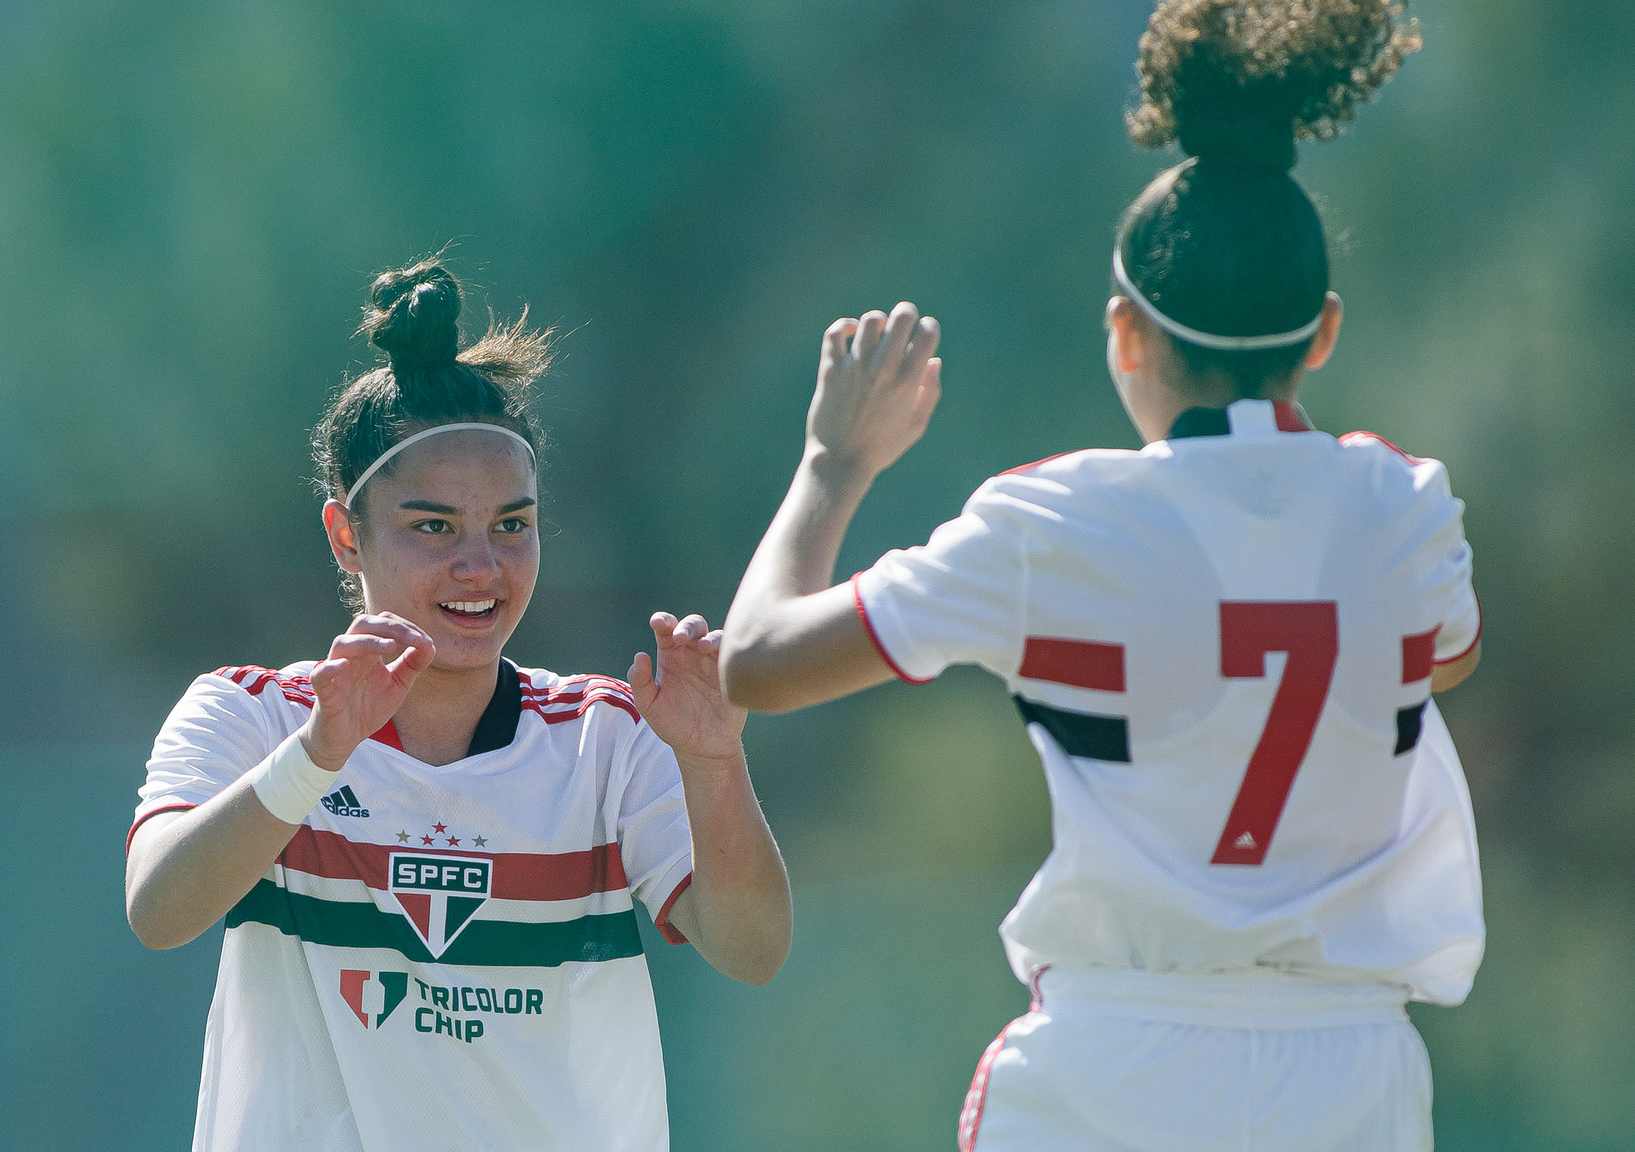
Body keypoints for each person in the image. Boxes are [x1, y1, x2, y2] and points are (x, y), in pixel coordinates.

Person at [720, 2, 1479, 1148]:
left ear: (1123, 332)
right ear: (1319, 332)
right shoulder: (1405, 507)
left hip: (1114, 1067)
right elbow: (1440, 660)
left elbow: (757, 664)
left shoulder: (1055, 522)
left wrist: (832, 465)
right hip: (1351, 1075)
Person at [122, 258, 790, 1152]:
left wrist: (715, 764)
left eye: (511, 525)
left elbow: (752, 950)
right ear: (346, 536)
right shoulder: (254, 716)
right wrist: (318, 757)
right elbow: (158, 909)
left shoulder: (605, 736)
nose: (481, 566)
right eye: (433, 526)